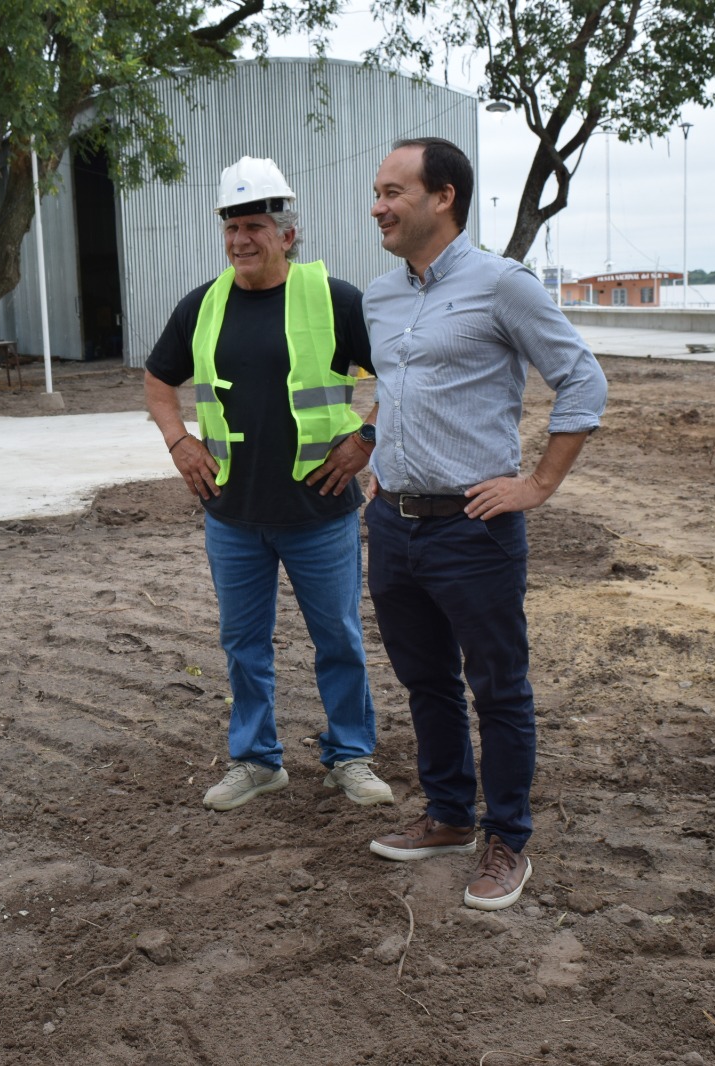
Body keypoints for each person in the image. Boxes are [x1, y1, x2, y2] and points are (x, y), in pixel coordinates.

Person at [361, 138, 607, 911]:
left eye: (394, 191)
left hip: (474, 528)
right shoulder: (380, 295)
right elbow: (397, 392)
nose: (378, 206)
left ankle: (507, 839)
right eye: (377, 191)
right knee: (425, 680)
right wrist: (375, 455)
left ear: (444, 198)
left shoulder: (504, 286)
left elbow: (582, 380)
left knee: (498, 689)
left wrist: (537, 484)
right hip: (394, 526)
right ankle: (446, 816)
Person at [144, 155, 391, 813]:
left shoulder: (334, 299)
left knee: (337, 637)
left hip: (320, 508)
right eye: (230, 227)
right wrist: (178, 440)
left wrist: (365, 440)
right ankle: (256, 762)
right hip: (232, 512)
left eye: (253, 226)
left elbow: (400, 375)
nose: (239, 241)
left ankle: (350, 757)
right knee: (243, 644)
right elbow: (157, 379)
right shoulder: (202, 307)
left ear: (287, 233)